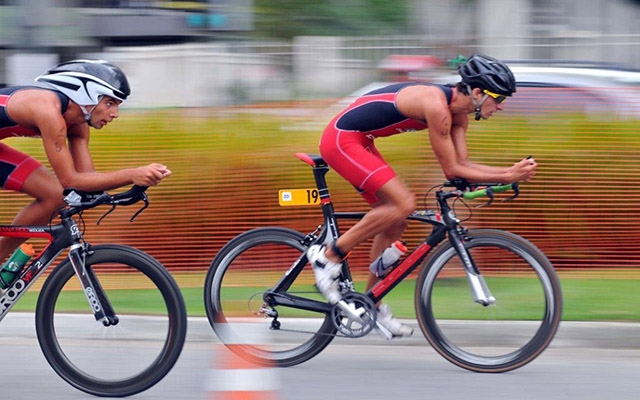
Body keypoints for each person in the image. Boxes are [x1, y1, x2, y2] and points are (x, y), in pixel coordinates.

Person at [307, 53, 538, 337]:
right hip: (342, 139)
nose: (500, 107)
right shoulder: (437, 106)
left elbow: (459, 171)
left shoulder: (458, 116)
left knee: (396, 220)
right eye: (499, 99)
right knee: (403, 203)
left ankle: (371, 303)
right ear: (478, 92)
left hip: (362, 141)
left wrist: (498, 179)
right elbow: (453, 167)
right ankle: (328, 256)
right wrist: (506, 174)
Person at [0, 59, 171, 269]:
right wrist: (132, 174)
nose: (115, 114)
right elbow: (70, 180)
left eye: (117, 105)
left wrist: (134, 185)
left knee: (55, 195)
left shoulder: (79, 122)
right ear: (85, 95)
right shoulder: (47, 111)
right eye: (110, 103)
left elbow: (85, 180)